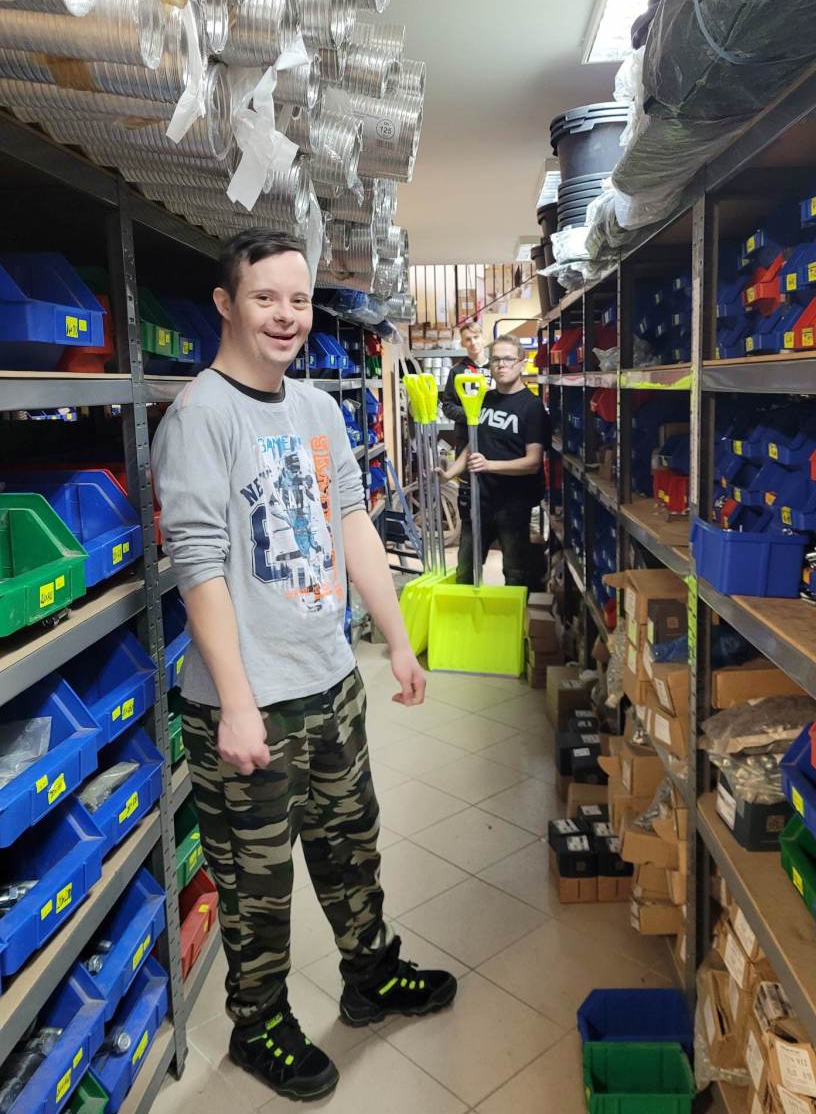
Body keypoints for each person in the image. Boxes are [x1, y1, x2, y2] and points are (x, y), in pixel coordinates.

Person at [151, 229, 456, 1104]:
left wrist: (398, 638)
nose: (286, 317)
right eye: (265, 298)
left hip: (331, 684)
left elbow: (352, 524)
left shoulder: (318, 411)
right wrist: (237, 702)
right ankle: (258, 1027)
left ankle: (371, 975)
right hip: (250, 704)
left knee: (352, 846)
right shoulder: (200, 417)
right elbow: (198, 566)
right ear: (226, 304)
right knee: (256, 886)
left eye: (298, 300)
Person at [441, 333, 550, 589]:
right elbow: (473, 445)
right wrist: (449, 473)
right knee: (465, 571)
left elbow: (533, 462)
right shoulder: (485, 399)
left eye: (508, 359)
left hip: (513, 504)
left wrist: (489, 465)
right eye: (496, 360)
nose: (501, 365)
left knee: (514, 572)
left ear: (522, 363)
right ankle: (466, 614)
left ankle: (513, 616)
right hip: (479, 500)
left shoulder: (532, 407)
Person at [441, 321, 490, 454]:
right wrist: (471, 413)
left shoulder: (497, 369)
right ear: (462, 343)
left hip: (494, 434)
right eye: (468, 339)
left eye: (476, 337)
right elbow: (448, 406)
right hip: (465, 435)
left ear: (483, 338)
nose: (473, 342)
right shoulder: (457, 371)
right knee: (467, 467)